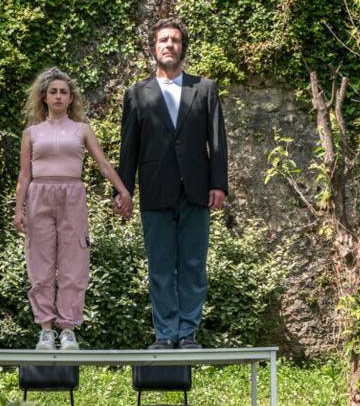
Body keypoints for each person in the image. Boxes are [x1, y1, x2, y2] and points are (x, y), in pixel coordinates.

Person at [114, 18, 228, 349]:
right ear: (154, 48)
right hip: (155, 191)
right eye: (163, 39)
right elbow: (128, 148)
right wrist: (123, 191)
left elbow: (217, 141)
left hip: (196, 190)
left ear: (182, 47)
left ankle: (187, 333)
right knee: (160, 267)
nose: (169, 45)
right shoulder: (137, 94)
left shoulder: (204, 88)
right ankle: (165, 335)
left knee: (193, 265)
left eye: (175, 40)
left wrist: (219, 184)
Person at [14, 67, 132, 350]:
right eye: (53, 92)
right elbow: (24, 175)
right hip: (39, 196)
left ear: (70, 98)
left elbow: (103, 164)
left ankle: (67, 329)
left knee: (73, 263)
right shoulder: (31, 133)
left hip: (72, 195)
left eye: (63, 92)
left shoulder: (82, 130)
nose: (58, 96)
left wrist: (123, 190)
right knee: (40, 263)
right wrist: (19, 210)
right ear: (44, 97)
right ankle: (45, 330)